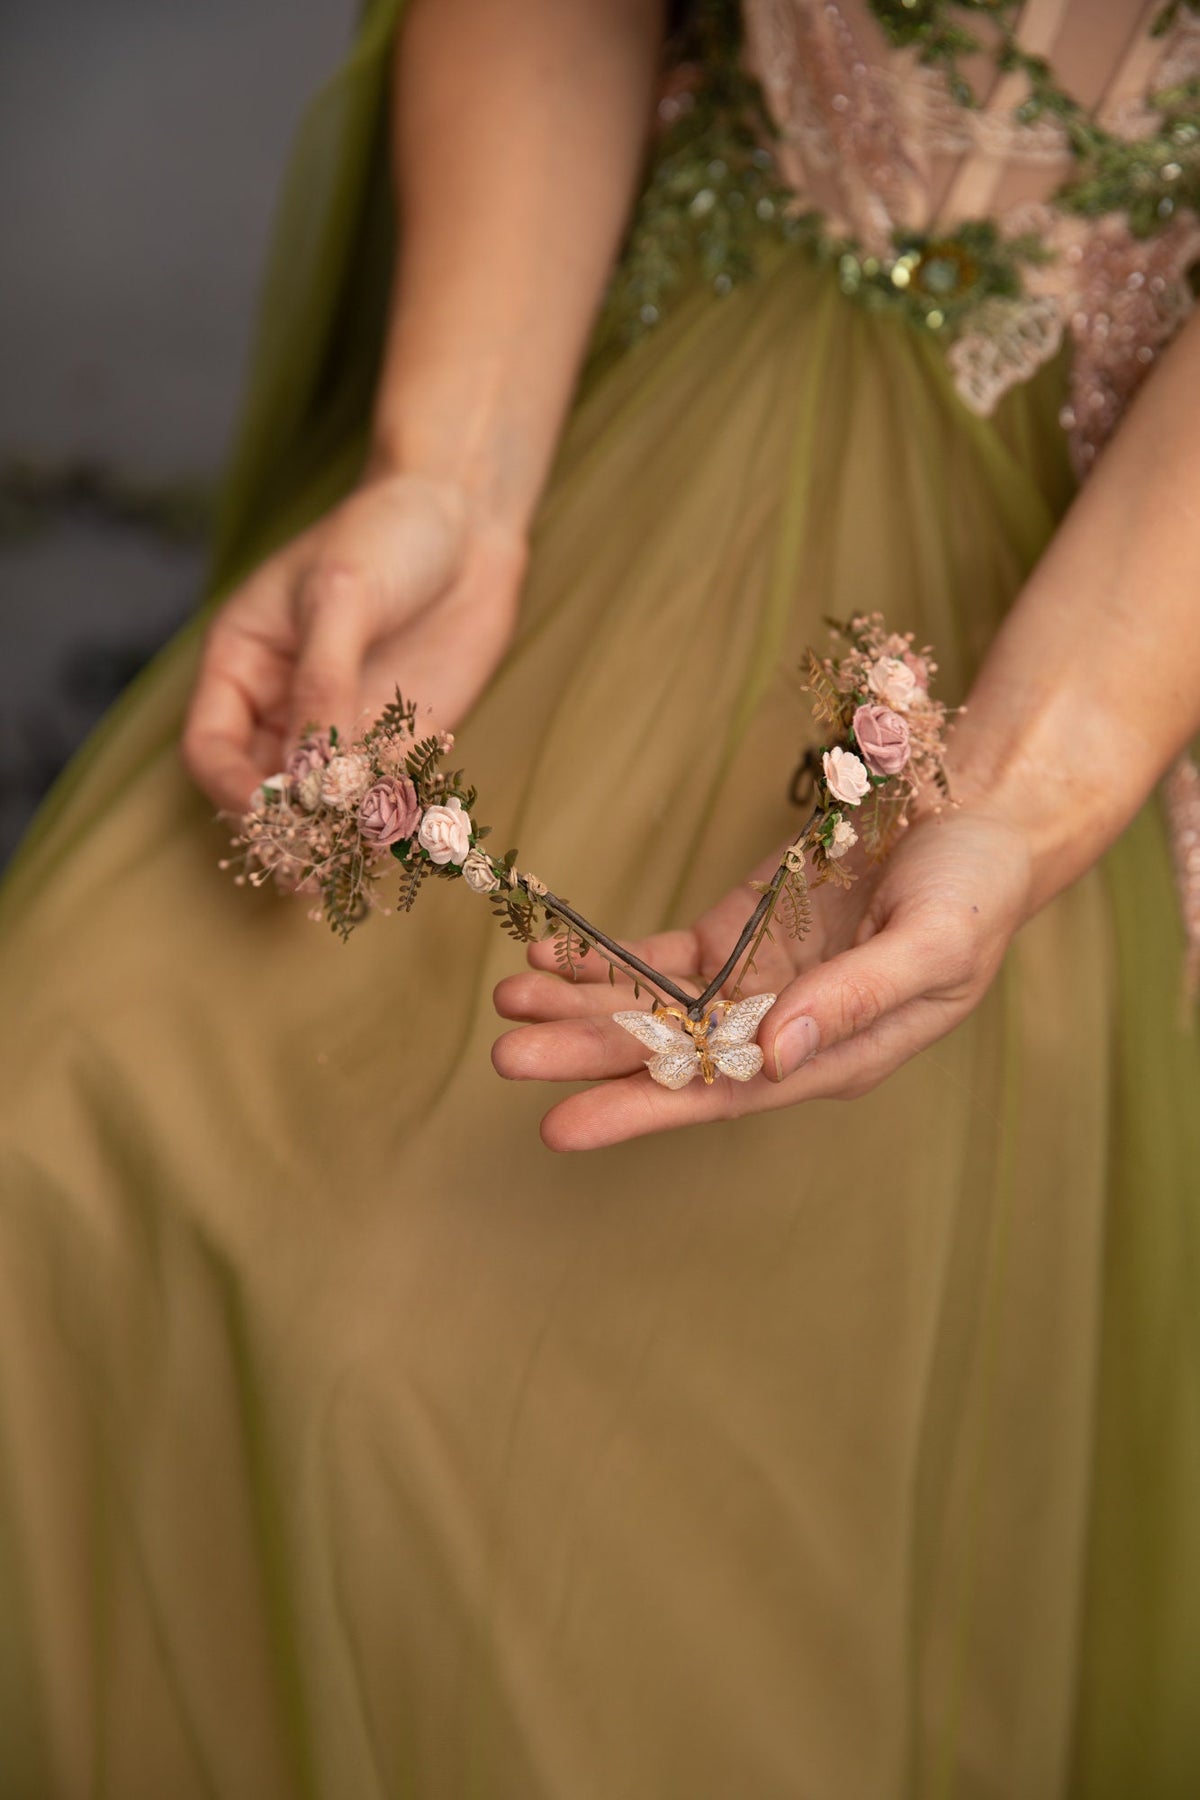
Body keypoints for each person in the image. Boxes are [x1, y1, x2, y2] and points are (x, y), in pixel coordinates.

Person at [1, 0, 1198, 1792]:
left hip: (1129, 603)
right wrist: (453, 473)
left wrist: (1020, 805)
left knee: (474, 1420)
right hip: (638, 371)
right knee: (59, 1120)